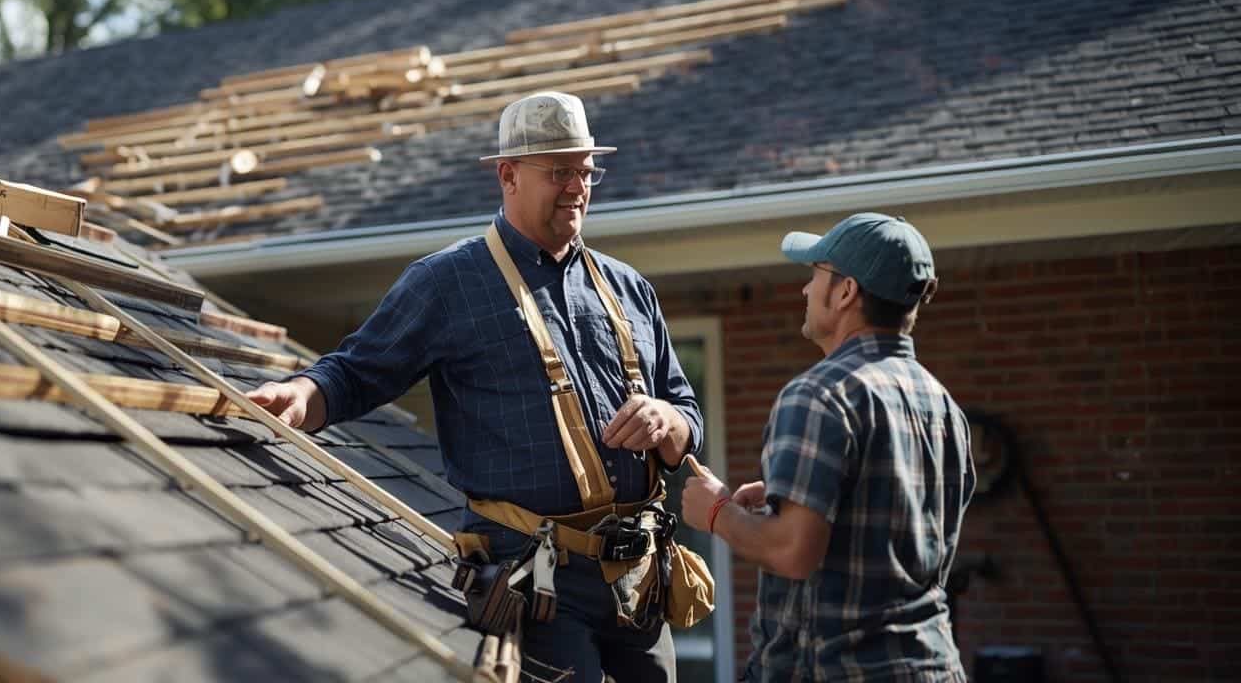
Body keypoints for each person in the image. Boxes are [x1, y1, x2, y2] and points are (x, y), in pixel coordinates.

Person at [249, 91, 707, 682]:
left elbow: (687, 410)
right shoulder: (447, 283)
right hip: (539, 583)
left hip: (640, 581)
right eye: (559, 172)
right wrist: (303, 395)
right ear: (508, 175)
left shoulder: (629, 288)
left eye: (586, 171)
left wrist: (668, 423)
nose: (577, 187)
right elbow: (357, 371)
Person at [680, 212, 975, 681]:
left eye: (815, 275)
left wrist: (716, 512)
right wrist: (795, 496)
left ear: (845, 292)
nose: (804, 290)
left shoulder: (820, 394)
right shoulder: (942, 406)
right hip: (934, 666)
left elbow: (793, 552)